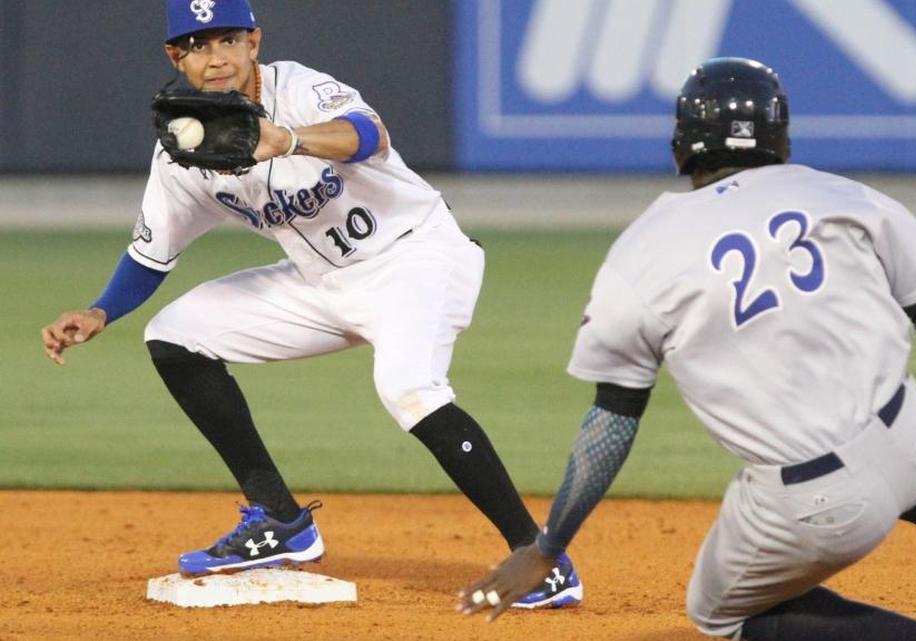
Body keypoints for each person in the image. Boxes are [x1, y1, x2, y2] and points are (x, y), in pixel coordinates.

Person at [457, 57, 916, 639]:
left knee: (718, 613)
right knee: (877, 442)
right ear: (781, 137)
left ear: (682, 146)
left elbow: (612, 419)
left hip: (815, 506)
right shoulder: (843, 195)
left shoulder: (638, 254)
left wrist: (548, 545)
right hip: (912, 436)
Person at [39, 0, 581, 610]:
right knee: (176, 334)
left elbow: (370, 134)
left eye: (227, 40)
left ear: (254, 43)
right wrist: (100, 311)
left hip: (416, 258)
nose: (215, 57)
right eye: (197, 45)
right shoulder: (183, 147)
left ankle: (540, 558)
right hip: (320, 283)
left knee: (409, 387)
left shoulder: (301, 90)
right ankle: (280, 520)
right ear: (175, 57)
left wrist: (289, 140)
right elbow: (152, 252)